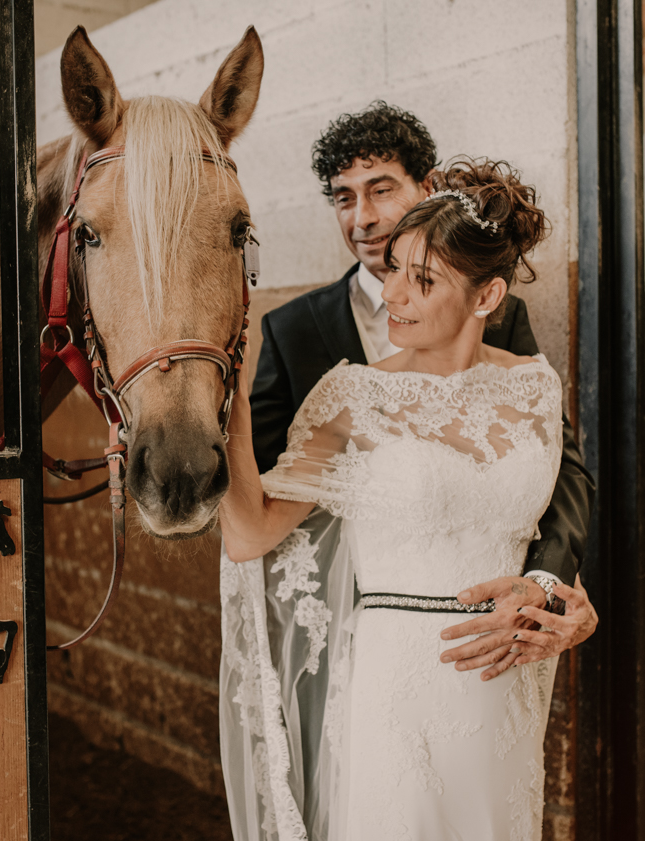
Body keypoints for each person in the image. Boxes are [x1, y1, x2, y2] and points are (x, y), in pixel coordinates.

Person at [219, 158, 588, 840]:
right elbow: (251, 535)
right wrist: (230, 414)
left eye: (422, 279)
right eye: (392, 268)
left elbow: (557, 512)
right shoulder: (350, 398)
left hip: (505, 695)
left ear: (487, 298)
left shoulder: (536, 385)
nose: (394, 293)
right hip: (398, 694)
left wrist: (561, 596)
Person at [249, 103, 596, 681]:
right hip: (345, 642)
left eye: (380, 190)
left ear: (426, 188)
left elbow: (560, 474)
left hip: (490, 647)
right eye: (343, 197)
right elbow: (265, 486)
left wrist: (544, 584)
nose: (362, 217)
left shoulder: (500, 316)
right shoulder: (289, 330)